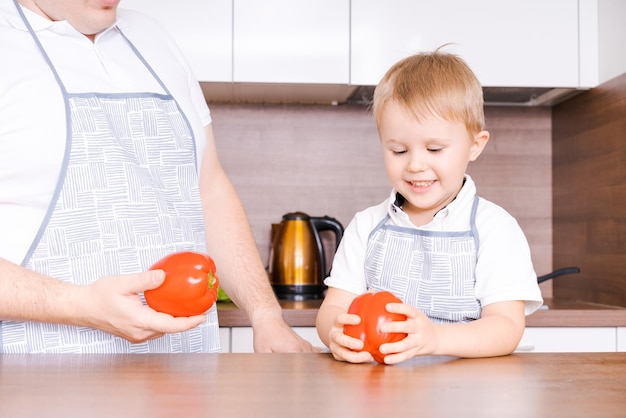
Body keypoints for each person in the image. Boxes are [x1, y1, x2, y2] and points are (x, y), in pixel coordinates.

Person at [0, 0, 315, 354]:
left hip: (185, 381)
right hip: (39, 381)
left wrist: (265, 314)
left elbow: (209, 190)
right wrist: (80, 305)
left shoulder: (153, 38)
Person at [316, 48, 543, 364]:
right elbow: (333, 309)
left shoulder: (494, 228)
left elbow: (506, 327)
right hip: (383, 397)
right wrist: (335, 334)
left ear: (474, 146)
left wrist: (436, 339)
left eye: (434, 149)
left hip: (465, 398)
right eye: (398, 151)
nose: (416, 165)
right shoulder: (367, 226)